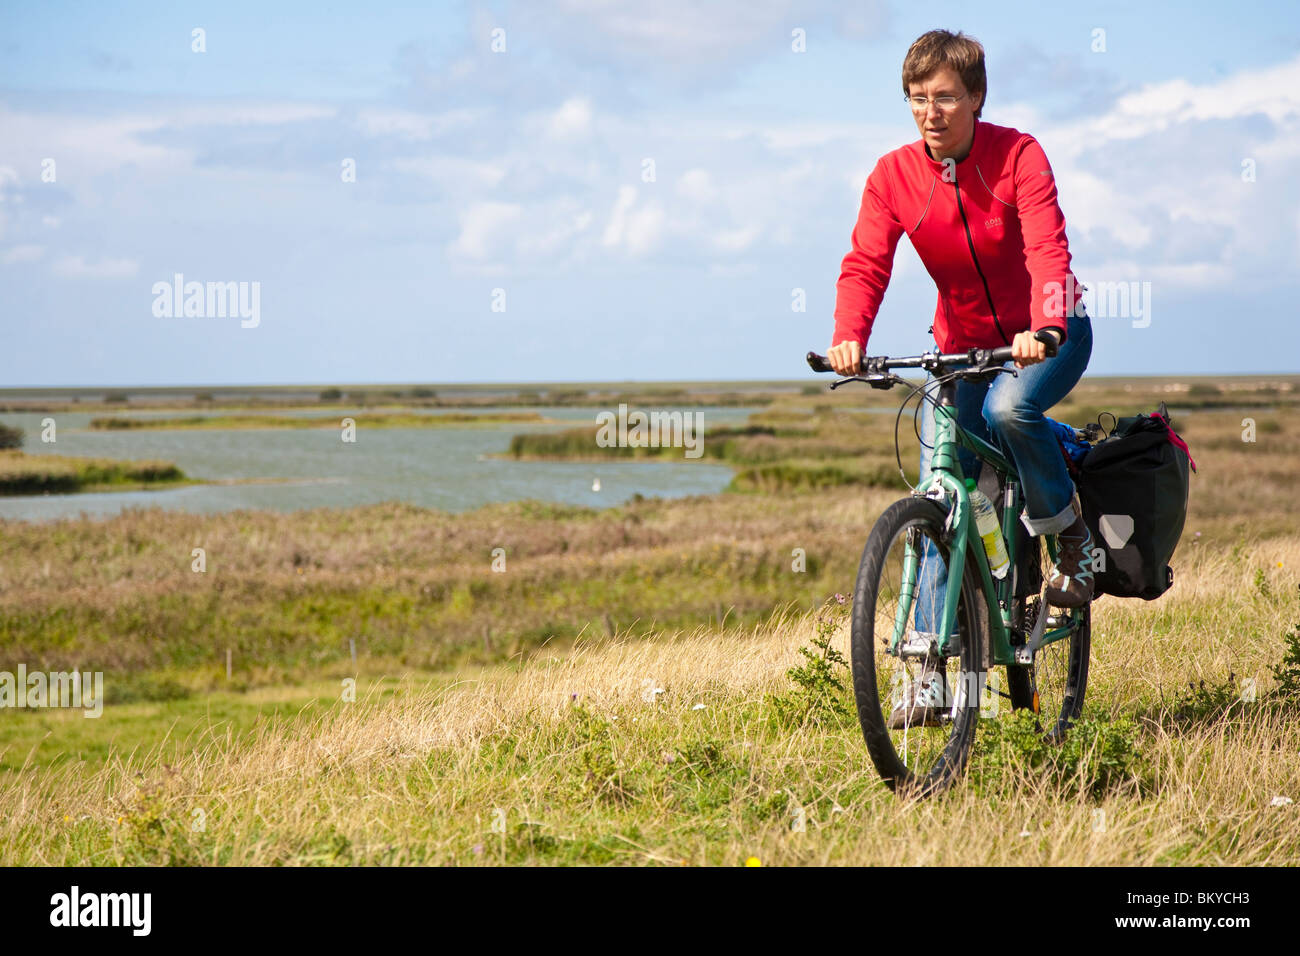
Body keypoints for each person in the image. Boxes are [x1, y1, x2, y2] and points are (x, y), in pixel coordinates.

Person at [825, 29, 1095, 727]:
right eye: (917, 98)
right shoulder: (893, 176)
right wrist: (850, 335)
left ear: (977, 96)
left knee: (1009, 413)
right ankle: (928, 676)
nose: (930, 111)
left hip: (1048, 335)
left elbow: (1046, 247)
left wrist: (1045, 327)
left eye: (944, 96)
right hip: (960, 348)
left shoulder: (1019, 157)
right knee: (942, 488)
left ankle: (1070, 536)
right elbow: (866, 263)